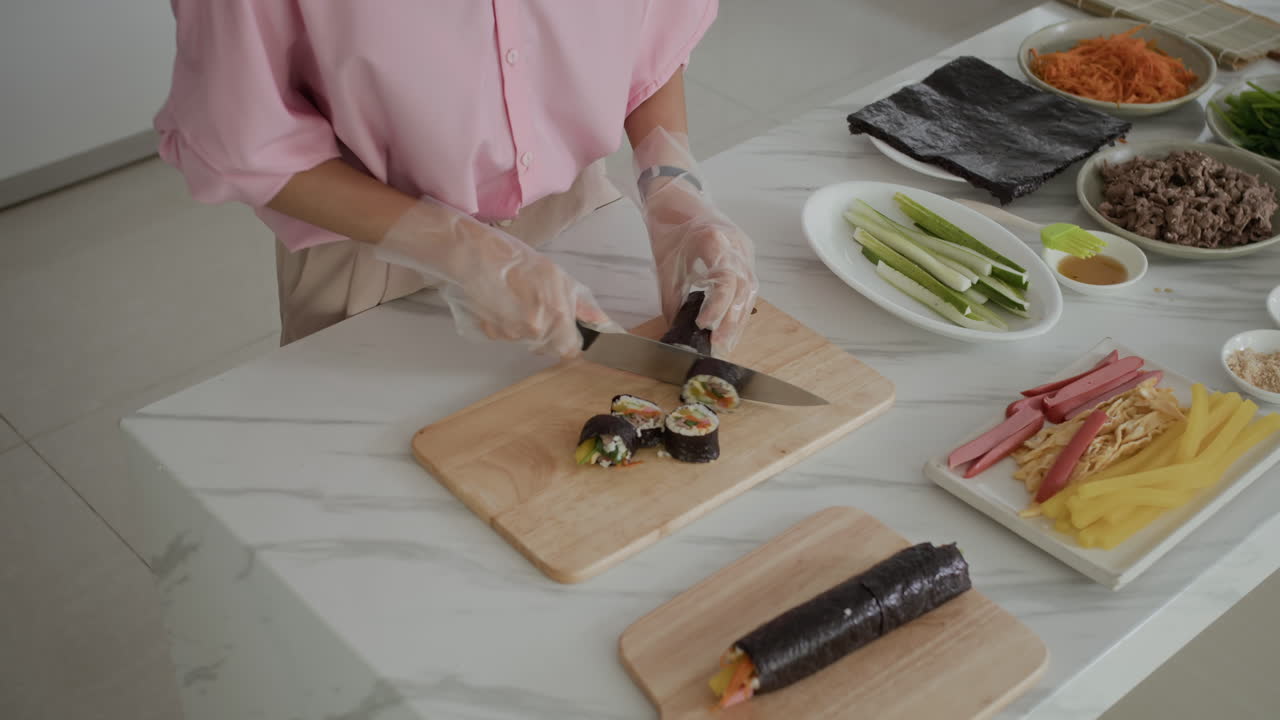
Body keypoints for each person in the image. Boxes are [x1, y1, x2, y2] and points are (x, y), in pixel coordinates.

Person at [154, 1, 758, 357]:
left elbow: (649, 24)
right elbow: (237, 135)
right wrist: (462, 252)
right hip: (372, 252)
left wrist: (672, 184)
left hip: (579, 216)